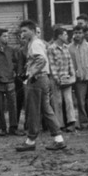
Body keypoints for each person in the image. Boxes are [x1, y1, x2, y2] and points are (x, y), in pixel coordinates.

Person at [14, 21, 66, 152]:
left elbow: (41, 60)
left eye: (25, 31)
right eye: (21, 31)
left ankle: (30, 141)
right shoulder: (36, 43)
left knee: (33, 110)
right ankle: (58, 139)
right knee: (46, 110)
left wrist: (30, 74)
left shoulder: (35, 43)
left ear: (32, 30)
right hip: (43, 79)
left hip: (36, 80)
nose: (22, 34)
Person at [46, 26, 77, 129]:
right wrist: (57, 79)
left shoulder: (66, 47)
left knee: (68, 100)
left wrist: (72, 75)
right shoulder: (51, 48)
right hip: (56, 79)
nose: (67, 36)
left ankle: (71, 121)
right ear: (59, 36)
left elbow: (69, 62)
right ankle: (59, 123)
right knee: (57, 101)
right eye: (65, 34)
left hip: (66, 77)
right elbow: (52, 65)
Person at [0, 29, 18, 136]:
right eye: (4, 36)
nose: (7, 38)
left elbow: (15, 62)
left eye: (7, 36)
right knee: (0, 106)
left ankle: (13, 127)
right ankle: (2, 128)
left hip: (10, 80)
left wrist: (12, 71)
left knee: (13, 105)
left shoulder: (11, 50)